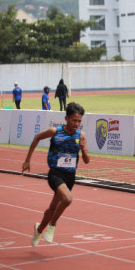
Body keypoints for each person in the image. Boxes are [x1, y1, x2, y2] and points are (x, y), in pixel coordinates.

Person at [22, 102, 90, 247]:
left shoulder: (81, 135)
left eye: (79, 121)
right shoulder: (55, 131)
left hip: (70, 176)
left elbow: (86, 161)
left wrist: (83, 149)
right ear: (66, 118)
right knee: (67, 199)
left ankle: (39, 229)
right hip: (55, 173)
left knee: (53, 208)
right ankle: (52, 226)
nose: (76, 124)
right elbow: (36, 138)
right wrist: (27, 160)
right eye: (74, 120)